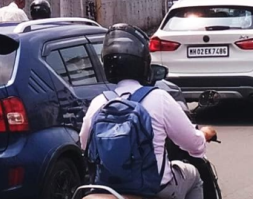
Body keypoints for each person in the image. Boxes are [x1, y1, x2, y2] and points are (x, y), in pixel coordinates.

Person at [80, 24, 217, 199]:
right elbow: (194, 146)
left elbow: (84, 145)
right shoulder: (159, 98)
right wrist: (203, 135)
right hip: (155, 190)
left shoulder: (99, 102)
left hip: (107, 190)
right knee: (193, 175)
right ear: (143, 63)